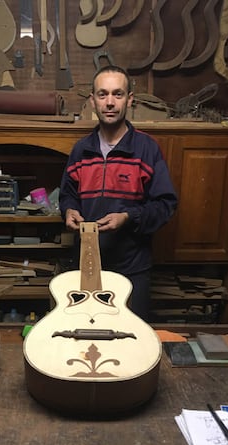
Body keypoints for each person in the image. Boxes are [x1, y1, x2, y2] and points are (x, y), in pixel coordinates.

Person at [59, 65, 178, 321]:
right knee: (85, 340)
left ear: (129, 100)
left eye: (117, 94)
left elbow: (165, 205)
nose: (110, 102)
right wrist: (68, 210)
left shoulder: (146, 149)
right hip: (86, 268)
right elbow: (67, 195)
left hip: (132, 269)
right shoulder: (81, 150)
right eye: (102, 95)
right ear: (92, 101)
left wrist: (128, 217)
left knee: (133, 342)